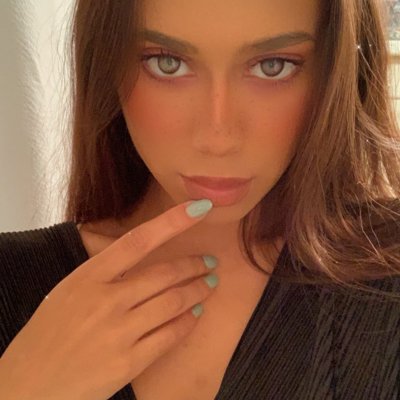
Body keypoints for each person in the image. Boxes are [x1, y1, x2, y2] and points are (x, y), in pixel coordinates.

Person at [1, 0, 400, 399]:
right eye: (167, 63)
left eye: (273, 66)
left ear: (335, 71)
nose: (217, 138)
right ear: (106, 67)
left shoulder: (387, 276)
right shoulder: (11, 279)